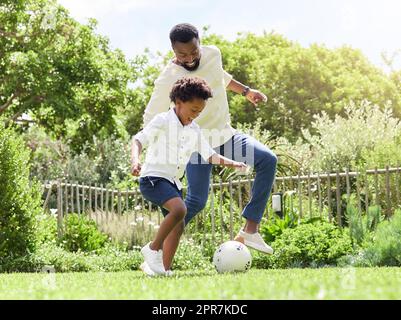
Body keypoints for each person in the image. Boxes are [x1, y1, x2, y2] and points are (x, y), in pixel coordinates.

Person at [143, 23, 278, 272]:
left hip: (225, 137)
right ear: (173, 51)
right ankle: (158, 260)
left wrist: (246, 91)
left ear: (200, 43)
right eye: (182, 55)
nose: (190, 58)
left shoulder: (213, 53)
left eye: (194, 52)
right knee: (194, 203)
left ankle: (249, 230)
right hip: (197, 148)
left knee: (267, 160)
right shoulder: (167, 79)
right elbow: (150, 116)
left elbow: (221, 78)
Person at [131, 76, 248, 276]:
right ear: (178, 103)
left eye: (199, 112)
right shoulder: (162, 120)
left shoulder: (194, 129)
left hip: (172, 182)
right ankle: (152, 249)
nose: (195, 115)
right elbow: (138, 140)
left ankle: (161, 269)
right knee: (180, 209)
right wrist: (135, 161)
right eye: (193, 110)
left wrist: (234, 163)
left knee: (178, 226)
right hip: (153, 178)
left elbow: (210, 155)